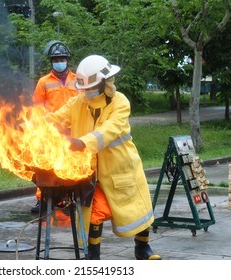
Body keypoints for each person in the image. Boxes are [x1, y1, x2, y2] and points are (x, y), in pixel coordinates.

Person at [45, 54, 161, 260]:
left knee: (139, 211)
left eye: (89, 88)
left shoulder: (120, 102)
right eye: (84, 89)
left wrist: (82, 143)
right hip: (90, 171)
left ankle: (142, 248)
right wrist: (30, 122)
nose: (86, 92)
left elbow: (109, 131)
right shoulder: (78, 102)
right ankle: (93, 258)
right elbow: (56, 118)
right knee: (95, 212)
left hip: (122, 168)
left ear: (103, 83)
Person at [30, 40, 78, 213]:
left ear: (67, 59)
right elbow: (37, 107)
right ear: (51, 62)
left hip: (73, 130)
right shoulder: (43, 82)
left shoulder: (78, 80)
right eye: (56, 60)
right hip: (51, 131)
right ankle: (42, 198)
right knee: (47, 165)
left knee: (72, 164)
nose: (59, 62)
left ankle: (70, 198)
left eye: (62, 59)